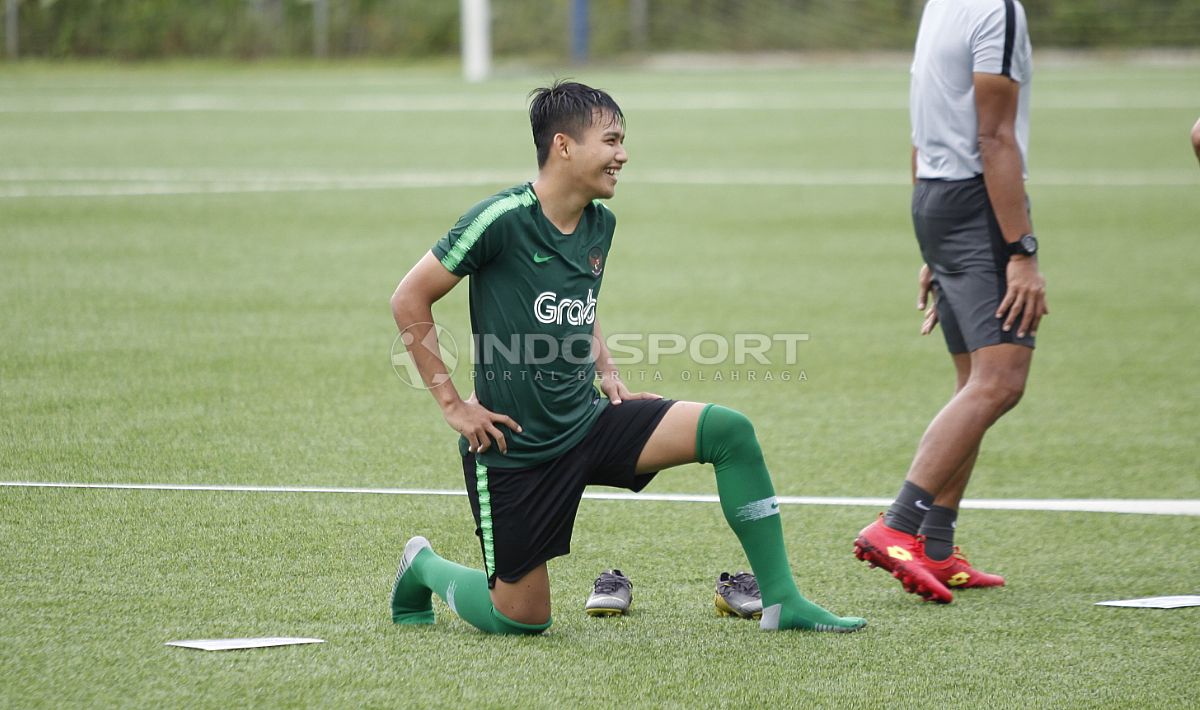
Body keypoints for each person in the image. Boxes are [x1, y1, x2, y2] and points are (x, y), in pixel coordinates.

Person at [388, 80, 865, 635]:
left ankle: (784, 602)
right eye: (611, 140)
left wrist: (608, 374)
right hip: (514, 447)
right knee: (521, 620)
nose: (623, 154)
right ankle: (422, 565)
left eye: (624, 141)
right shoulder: (501, 218)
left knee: (729, 432)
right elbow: (409, 297)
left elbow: (578, 310)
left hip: (589, 423)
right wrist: (453, 404)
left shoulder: (599, 225)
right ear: (563, 146)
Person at [853, 0, 1048, 603]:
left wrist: (934, 246)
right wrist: (1022, 250)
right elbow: (993, 137)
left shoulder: (944, 5)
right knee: (1001, 382)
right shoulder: (999, 10)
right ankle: (897, 525)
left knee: (974, 383)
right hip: (974, 204)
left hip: (936, 198)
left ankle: (937, 546)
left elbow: (923, 127)